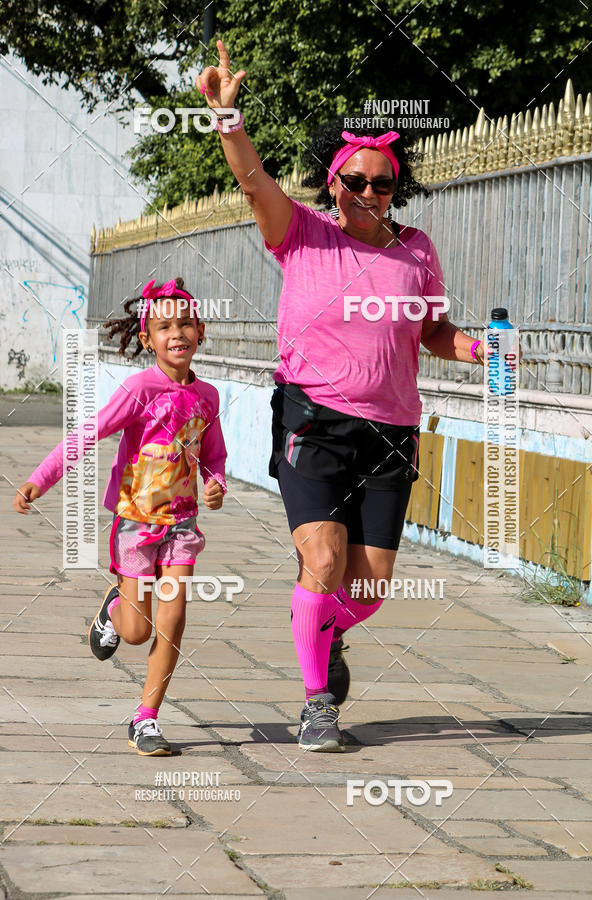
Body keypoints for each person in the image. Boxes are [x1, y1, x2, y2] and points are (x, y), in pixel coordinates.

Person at [197, 41, 486, 752]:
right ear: (333, 183)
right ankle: (316, 701)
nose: (366, 192)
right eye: (352, 179)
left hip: (391, 431)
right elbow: (254, 183)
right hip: (313, 419)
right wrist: (229, 119)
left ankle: (316, 626)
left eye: (381, 183)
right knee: (323, 562)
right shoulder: (302, 234)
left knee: (367, 590)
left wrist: (481, 349)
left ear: (397, 189)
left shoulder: (416, 250)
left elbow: (433, 331)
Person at [13, 278, 227, 756]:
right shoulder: (139, 389)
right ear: (148, 337)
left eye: (186, 322)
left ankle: (146, 719)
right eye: (165, 325)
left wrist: (216, 486)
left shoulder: (208, 397)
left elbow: (214, 456)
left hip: (182, 527)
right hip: (134, 523)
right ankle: (114, 608)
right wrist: (40, 479)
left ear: (201, 330)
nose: (178, 333)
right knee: (137, 632)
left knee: (173, 620)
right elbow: (88, 434)